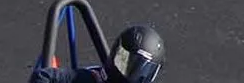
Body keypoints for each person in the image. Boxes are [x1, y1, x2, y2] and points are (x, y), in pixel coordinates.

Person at [28, 24, 164, 83]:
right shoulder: (92, 79)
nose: (133, 76)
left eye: (140, 71)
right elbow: (43, 76)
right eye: (128, 65)